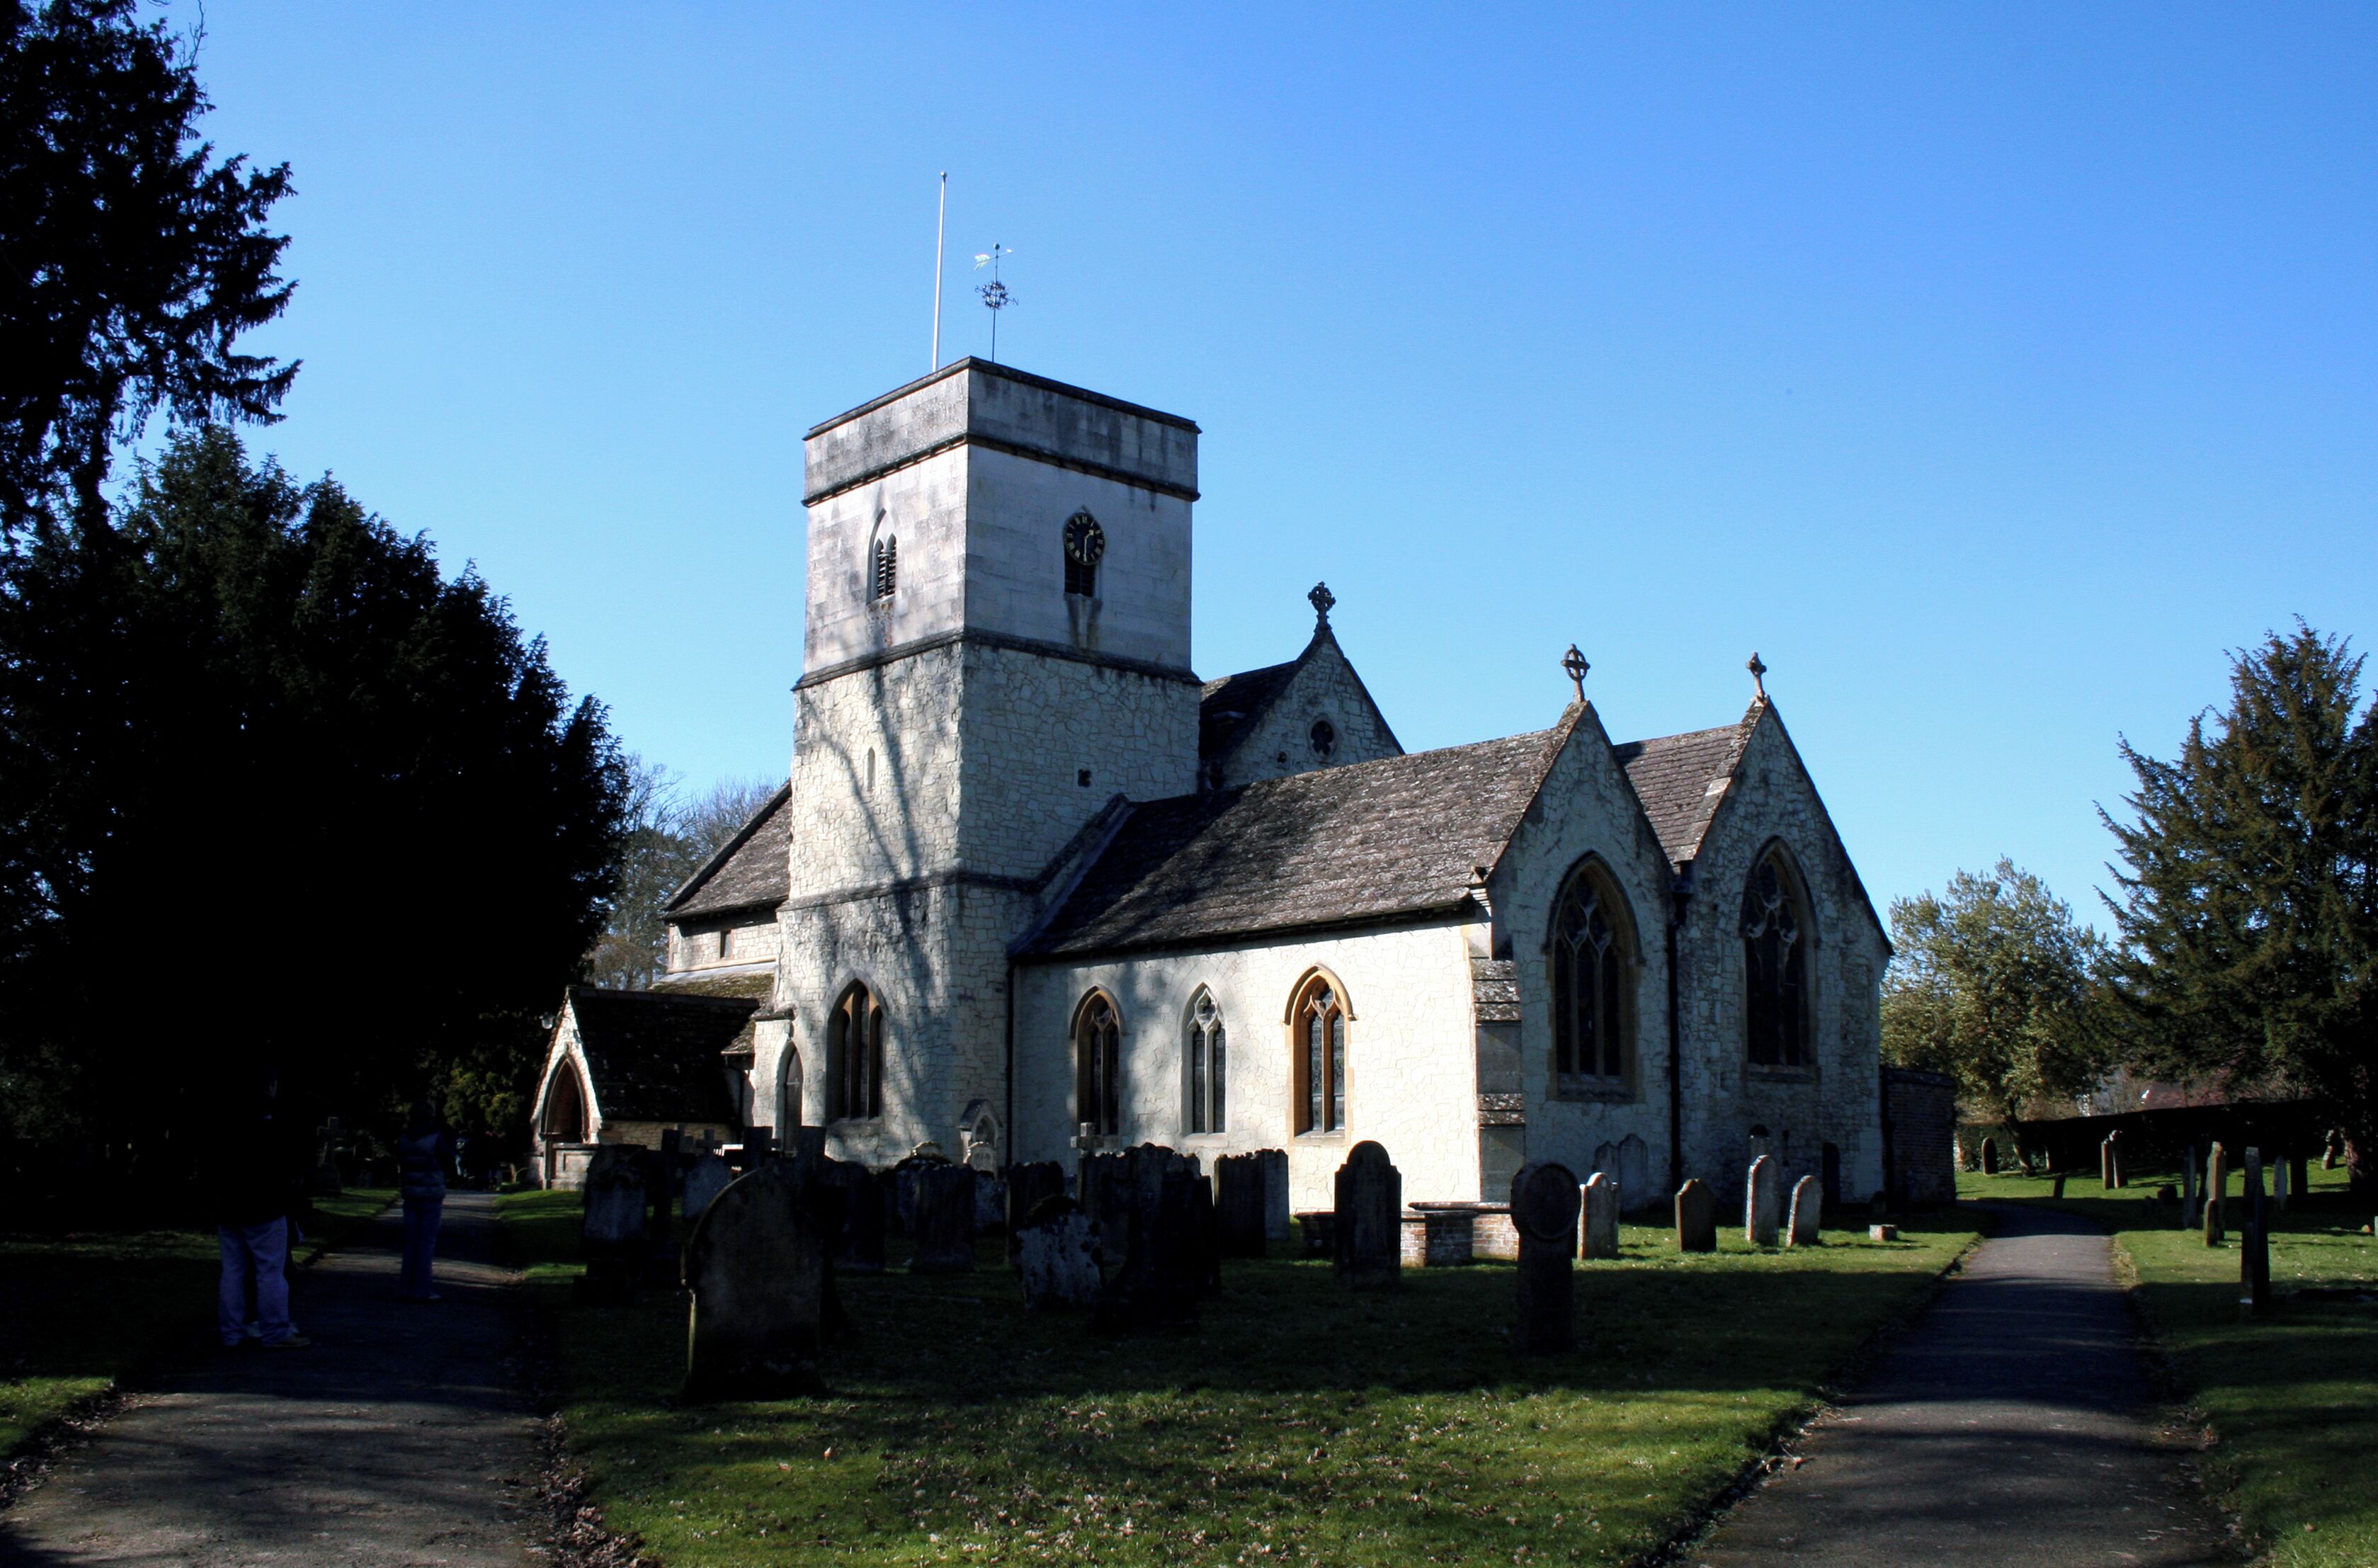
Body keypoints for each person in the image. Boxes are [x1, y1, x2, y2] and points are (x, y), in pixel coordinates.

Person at [207, 1072, 312, 1350]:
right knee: (270, 1272)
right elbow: (290, 1170)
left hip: (229, 1207)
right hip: (265, 1207)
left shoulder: (225, 1127)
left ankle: (232, 1332)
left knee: (233, 1271)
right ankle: (275, 1331)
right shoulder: (274, 1129)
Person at [397, 1099, 452, 1301]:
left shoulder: (403, 1138)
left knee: (410, 1243)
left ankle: (406, 1286)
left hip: (411, 1193)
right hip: (431, 1193)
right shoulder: (435, 1138)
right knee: (426, 1243)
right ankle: (422, 1289)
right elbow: (447, 1160)